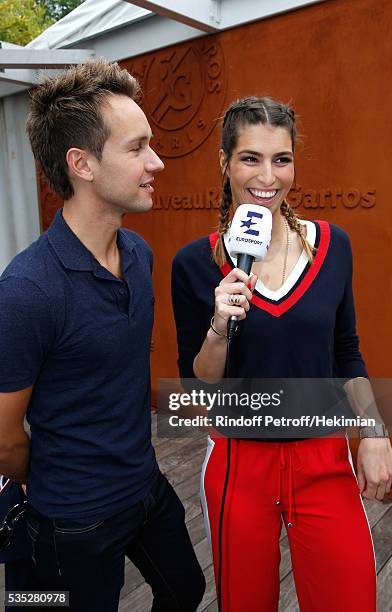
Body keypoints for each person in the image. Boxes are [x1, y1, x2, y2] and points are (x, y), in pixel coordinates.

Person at [171, 96, 392, 611]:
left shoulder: (334, 245)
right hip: (237, 463)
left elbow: (347, 352)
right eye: (250, 158)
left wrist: (375, 432)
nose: (267, 176)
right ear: (225, 162)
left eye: (282, 159)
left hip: (323, 457)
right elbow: (198, 386)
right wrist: (219, 326)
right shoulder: (193, 263)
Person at [0, 59, 205, 612]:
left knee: (186, 589)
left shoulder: (138, 255)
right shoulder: (26, 290)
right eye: (137, 147)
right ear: (82, 164)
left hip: (145, 487)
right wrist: (54, 484)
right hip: (70, 520)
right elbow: (4, 437)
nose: (156, 162)